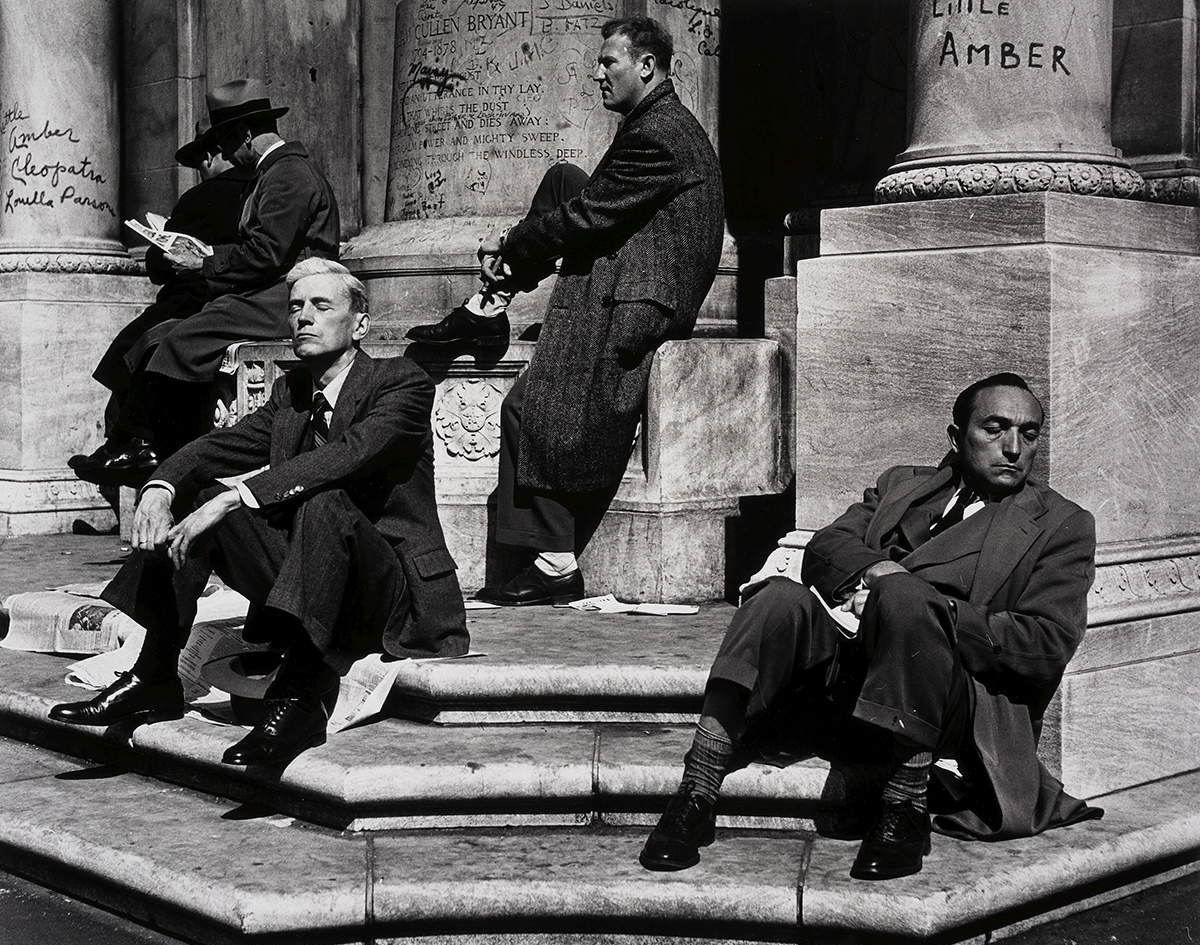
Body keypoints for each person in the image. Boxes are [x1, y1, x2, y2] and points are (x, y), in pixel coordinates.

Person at [639, 373, 1103, 880]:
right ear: (956, 437)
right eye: (995, 429)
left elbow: (1046, 644)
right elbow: (828, 544)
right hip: (850, 680)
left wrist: (932, 611)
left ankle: (903, 808)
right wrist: (873, 572)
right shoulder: (900, 485)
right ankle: (696, 793)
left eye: (1029, 434)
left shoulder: (1061, 524)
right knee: (777, 600)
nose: (1013, 448)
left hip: (950, 702)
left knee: (905, 597)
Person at [50, 259, 469, 767]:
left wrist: (235, 497)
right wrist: (159, 487)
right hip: (311, 576)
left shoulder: (401, 381)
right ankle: (155, 675)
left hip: (387, 591)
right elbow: (215, 447)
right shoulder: (291, 396)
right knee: (193, 492)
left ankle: (299, 698)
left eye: (321, 306)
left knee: (321, 497)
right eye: (295, 308)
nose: (303, 318)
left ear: (360, 324)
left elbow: (346, 456)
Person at [408, 17, 725, 606]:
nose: (596, 72)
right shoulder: (654, 122)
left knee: (528, 408)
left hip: (641, 300)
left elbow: (590, 219)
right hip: (638, 269)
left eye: (610, 62)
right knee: (561, 181)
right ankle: (489, 304)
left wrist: (511, 245)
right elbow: (587, 206)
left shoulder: (659, 136)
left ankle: (554, 563)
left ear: (647, 67)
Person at [72, 77, 340, 486]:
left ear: (244, 135)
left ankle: (146, 447)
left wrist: (204, 262)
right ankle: (141, 447)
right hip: (273, 290)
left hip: (291, 295)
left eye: (227, 144)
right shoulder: (277, 172)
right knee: (166, 334)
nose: (228, 156)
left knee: (185, 337)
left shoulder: (287, 173)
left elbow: (266, 253)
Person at [71, 124, 252, 475]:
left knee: (138, 345)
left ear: (212, 156)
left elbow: (157, 265)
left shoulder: (201, 197)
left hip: (193, 300)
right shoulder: (261, 189)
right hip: (238, 298)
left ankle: (130, 444)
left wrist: (164, 240)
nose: (201, 172)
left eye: (200, 162)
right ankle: (130, 444)